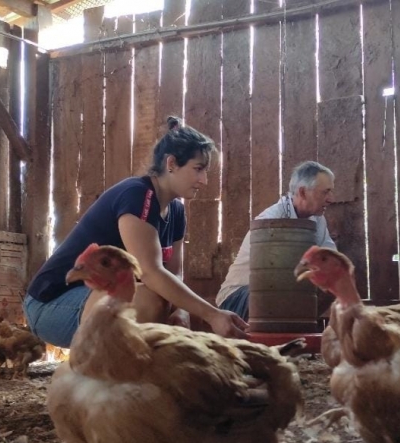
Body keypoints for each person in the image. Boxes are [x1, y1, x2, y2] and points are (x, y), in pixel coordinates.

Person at [24, 116, 248, 348]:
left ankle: (128, 374)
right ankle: (102, 373)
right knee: (150, 301)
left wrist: (180, 311)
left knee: (169, 308)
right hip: (51, 304)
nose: (204, 180)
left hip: (95, 298)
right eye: (198, 169)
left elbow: (173, 274)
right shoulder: (136, 195)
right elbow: (151, 273)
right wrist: (212, 315)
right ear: (171, 163)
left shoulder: (177, 212)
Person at [216, 161, 337, 320]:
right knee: (277, 294)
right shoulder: (271, 220)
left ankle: (299, 331)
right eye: (325, 192)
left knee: (333, 281)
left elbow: (331, 259)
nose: (331, 199)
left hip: (278, 295)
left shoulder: (317, 220)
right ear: (302, 192)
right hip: (238, 296)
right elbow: (274, 278)